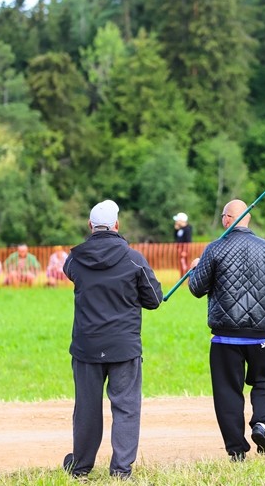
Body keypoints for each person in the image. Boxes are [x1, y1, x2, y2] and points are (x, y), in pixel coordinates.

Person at [188, 199, 265, 462]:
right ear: (247, 219)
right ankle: (260, 423)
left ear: (227, 219)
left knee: (227, 392)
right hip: (261, 336)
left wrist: (194, 269)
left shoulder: (214, 250)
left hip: (224, 338)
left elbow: (196, 288)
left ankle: (237, 451)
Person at [62, 199, 163, 480]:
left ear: (90, 226)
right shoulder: (134, 258)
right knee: (127, 408)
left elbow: (71, 274)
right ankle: (121, 470)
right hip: (124, 347)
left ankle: (80, 467)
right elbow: (154, 300)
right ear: (117, 225)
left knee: (86, 409)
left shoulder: (75, 259)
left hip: (86, 347)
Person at [173, 212, 192, 277]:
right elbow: (176, 238)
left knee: (185, 265)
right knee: (181, 264)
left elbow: (188, 241)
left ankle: (186, 277)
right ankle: (182, 277)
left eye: (177, 220)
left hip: (184, 251)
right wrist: (176, 230)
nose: (176, 222)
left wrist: (185, 251)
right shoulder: (179, 229)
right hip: (179, 250)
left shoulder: (188, 229)